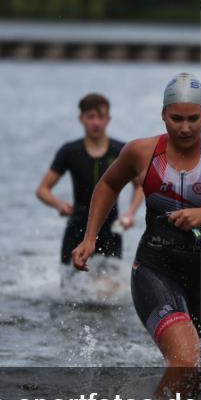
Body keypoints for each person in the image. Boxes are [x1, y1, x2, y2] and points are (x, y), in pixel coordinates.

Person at [72, 73, 201, 400]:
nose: (185, 127)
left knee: (195, 386)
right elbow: (108, 184)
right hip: (155, 269)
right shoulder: (142, 151)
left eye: (193, 118)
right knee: (184, 361)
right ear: (163, 114)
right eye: (176, 118)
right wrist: (90, 238)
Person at [36, 93, 143, 271]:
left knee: (109, 291)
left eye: (100, 117)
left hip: (110, 230)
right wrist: (58, 204)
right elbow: (43, 190)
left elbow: (140, 185)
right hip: (77, 225)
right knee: (69, 288)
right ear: (81, 119)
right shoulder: (69, 151)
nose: (96, 123)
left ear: (108, 119)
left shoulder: (121, 151)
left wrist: (130, 213)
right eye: (91, 117)